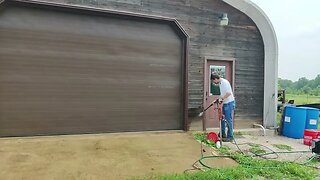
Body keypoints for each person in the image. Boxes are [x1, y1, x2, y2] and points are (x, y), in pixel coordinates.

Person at [211, 74, 235, 142]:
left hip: (229, 103)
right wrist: (217, 100)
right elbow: (222, 95)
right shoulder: (221, 83)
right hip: (225, 103)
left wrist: (222, 99)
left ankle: (230, 137)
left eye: (213, 81)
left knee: (228, 120)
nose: (214, 82)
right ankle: (222, 133)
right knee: (222, 118)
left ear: (216, 79)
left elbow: (229, 93)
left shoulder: (225, 82)